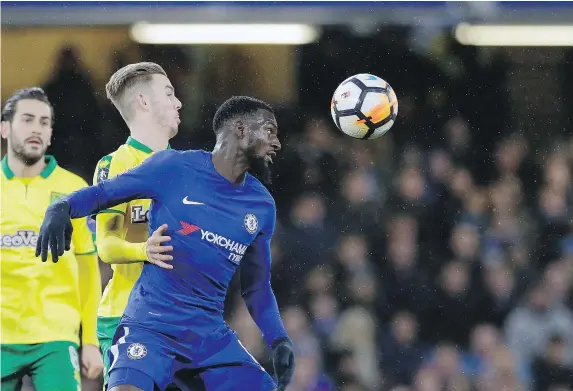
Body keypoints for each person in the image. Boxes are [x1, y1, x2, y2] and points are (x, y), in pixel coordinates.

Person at [36, 96, 295, 391]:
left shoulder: (261, 205)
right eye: (270, 131)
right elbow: (103, 193)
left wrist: (279, 339)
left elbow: (256, 287)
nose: (277, 143)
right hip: (150, 328)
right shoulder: (173, 168)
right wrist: (62, 208)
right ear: (240, 128)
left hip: (207, 337)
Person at [1, 87, 104, 390]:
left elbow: (88, 271)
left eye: (45, 122)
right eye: (28, 119)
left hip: (56, 337)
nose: (37, 128)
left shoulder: (74, 190)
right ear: (5, 128)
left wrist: (91, 341)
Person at [91, 62, 182, 388]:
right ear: (144, 102)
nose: (178, 103)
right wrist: (145, 249)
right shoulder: (117, 166)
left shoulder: (190, 170)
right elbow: (107, 245)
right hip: (130, 316)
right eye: (169, 93)